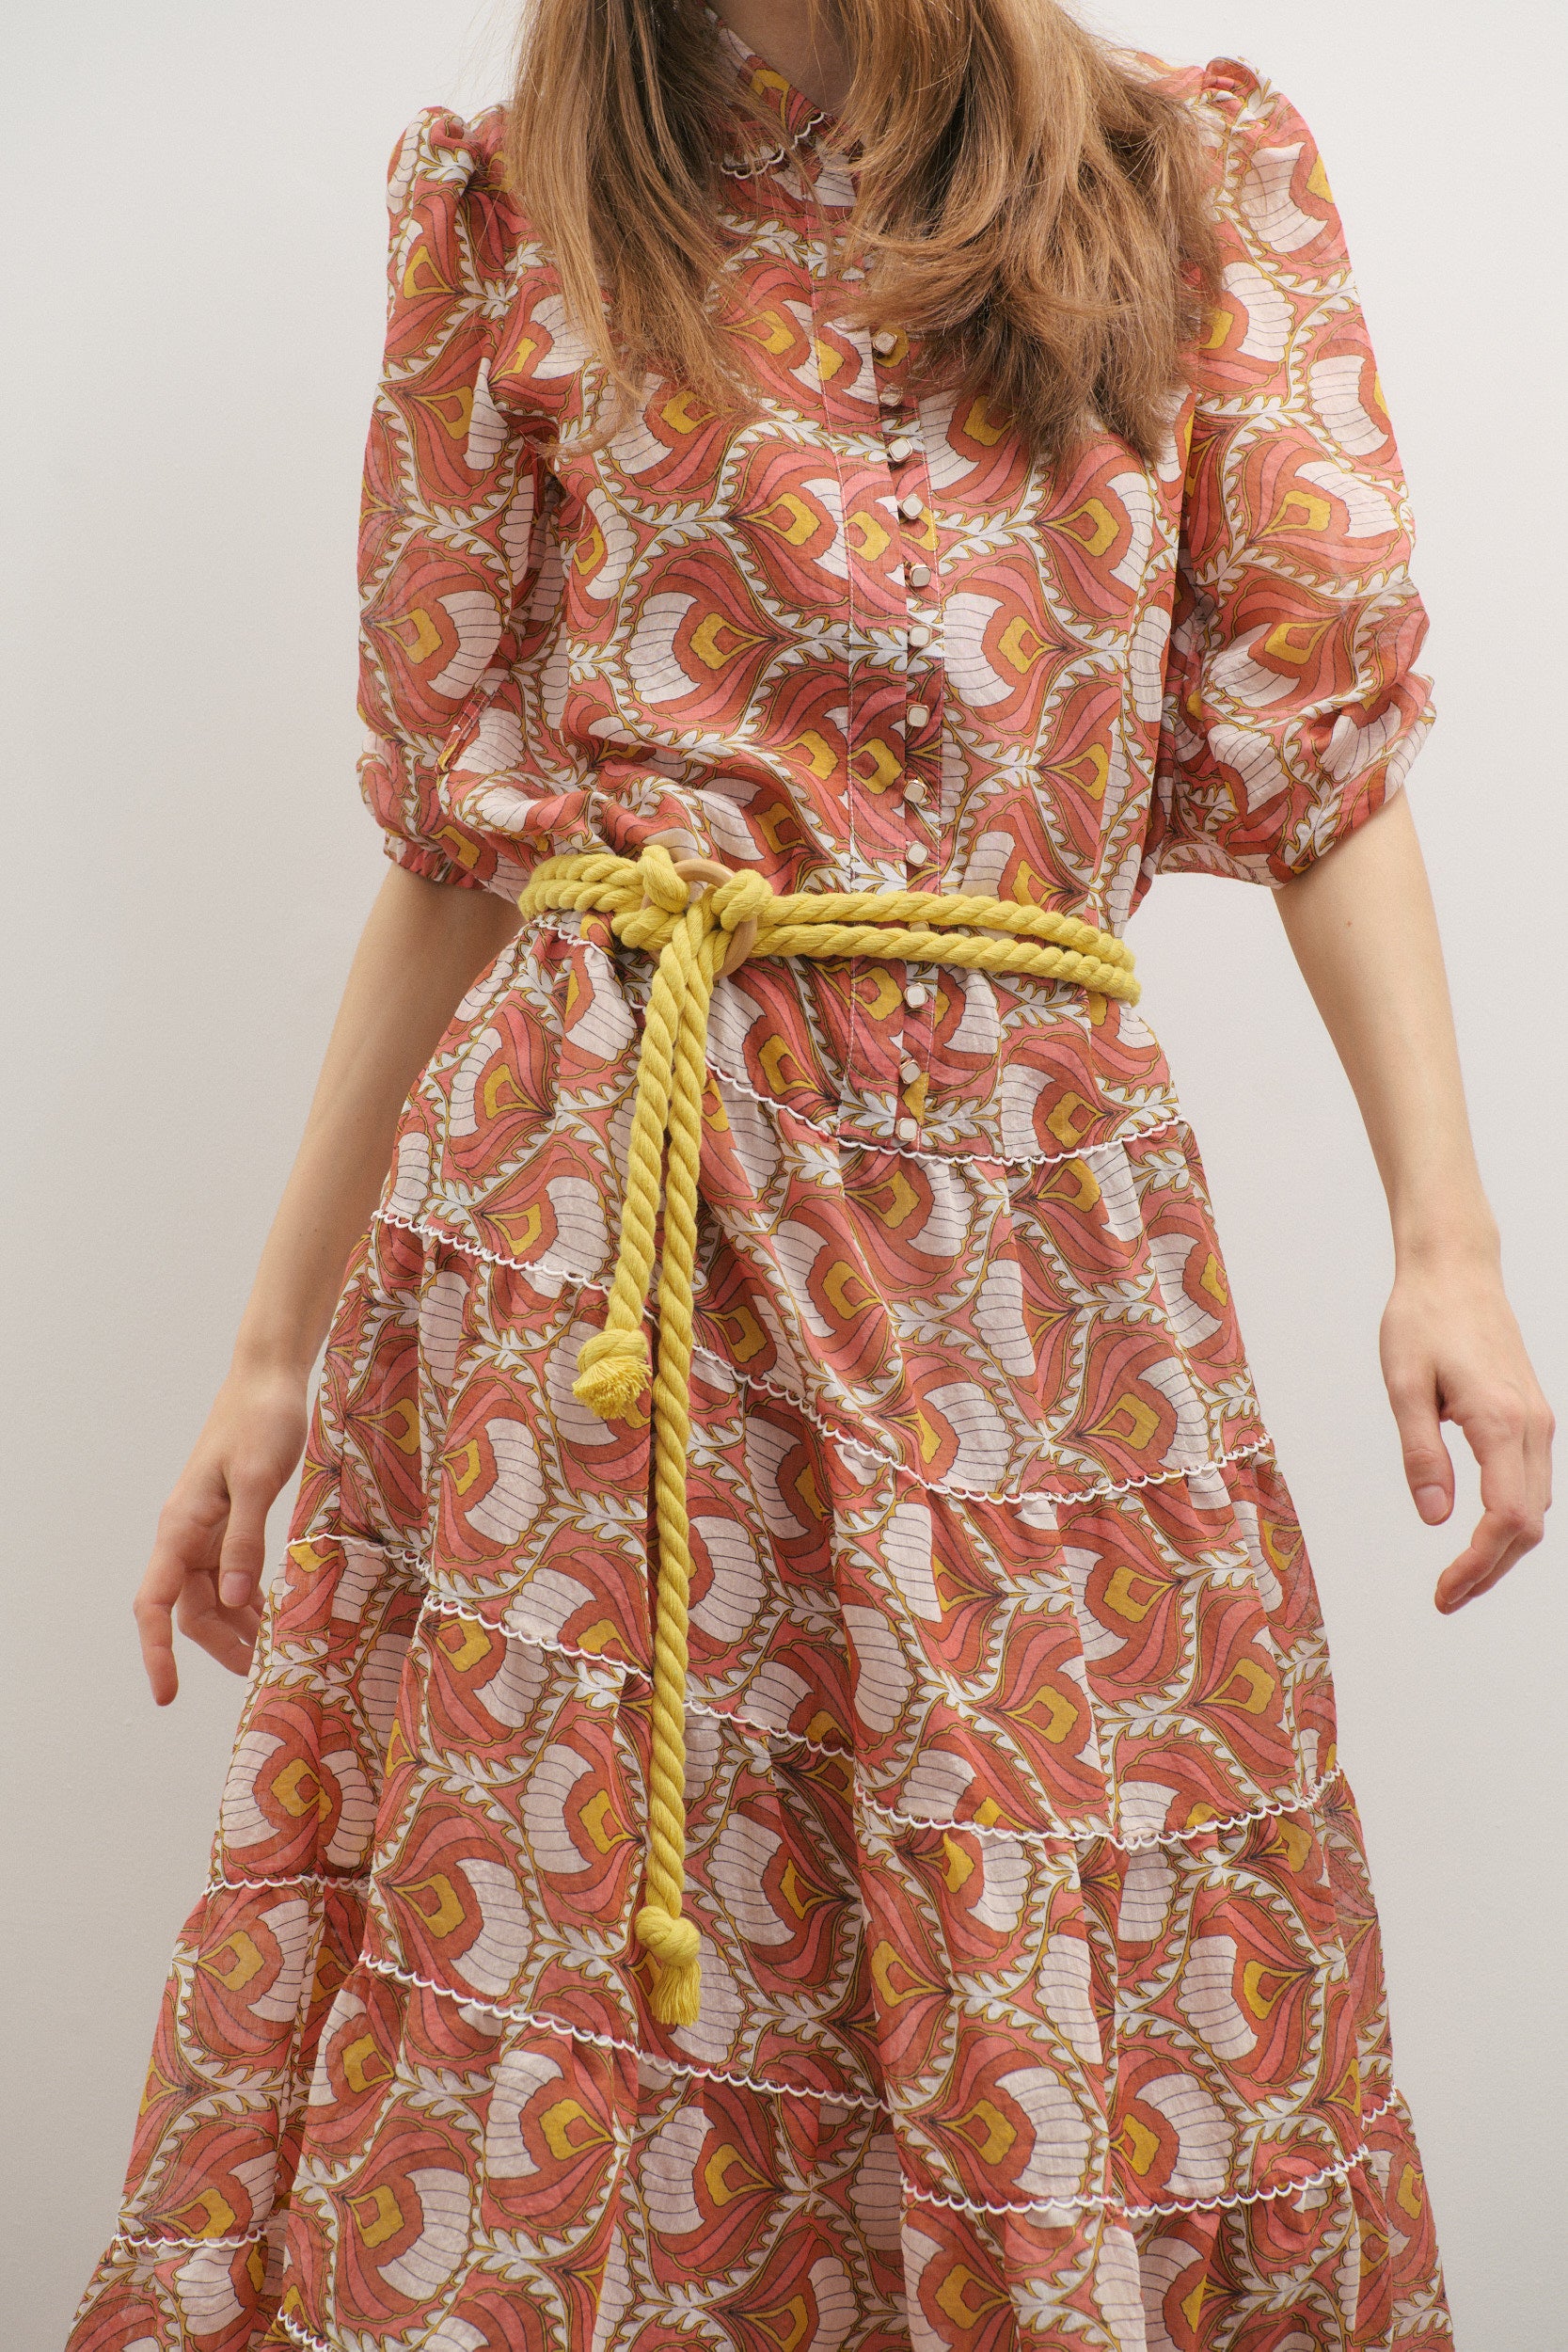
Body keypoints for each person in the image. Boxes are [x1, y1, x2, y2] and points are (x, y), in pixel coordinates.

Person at [68, 1, 1549, 2344]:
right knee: (589, 1970)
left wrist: (1446, 1243)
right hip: (600, 1252)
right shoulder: (517, 204)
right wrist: (267, 1356)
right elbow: (458, 849)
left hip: (1024, 1254)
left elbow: (1319, 767)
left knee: (1083, 1945)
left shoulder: (1183, 181)